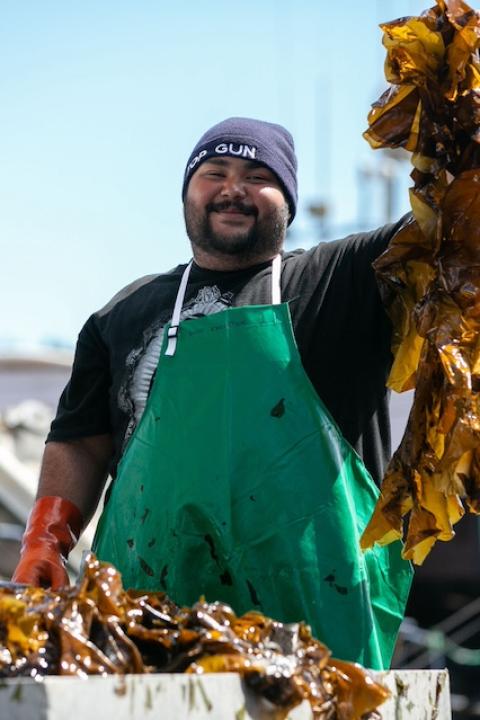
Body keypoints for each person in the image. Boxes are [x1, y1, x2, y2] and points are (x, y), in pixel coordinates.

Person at [13, 117, 412, 669]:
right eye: (215, 172)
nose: (233, 188)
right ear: (187, 194)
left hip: (316, 612)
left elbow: (448, 224)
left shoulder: (343, 280)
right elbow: (81, 442)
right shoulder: (121, 314)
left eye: (257, 175)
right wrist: (47, 537)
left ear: (288, 202)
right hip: (146, 613)